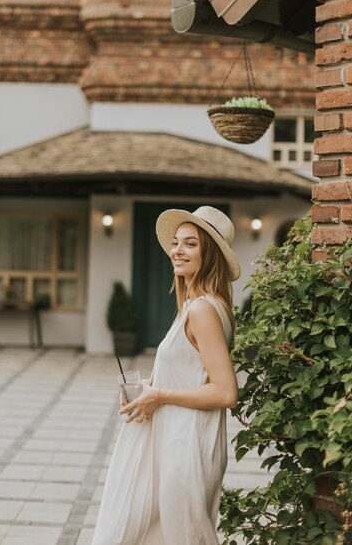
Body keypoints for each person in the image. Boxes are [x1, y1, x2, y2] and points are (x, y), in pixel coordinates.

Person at [91, 206, 240, 545]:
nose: (177, 250)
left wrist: (159, 396)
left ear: (210, 254)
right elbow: (194, 376)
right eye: (176, 243)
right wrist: (149, 387)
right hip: (175, 442)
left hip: (185, 448)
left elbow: (225, 392)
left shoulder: (203, 309)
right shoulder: (197, 305)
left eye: (190, 244)